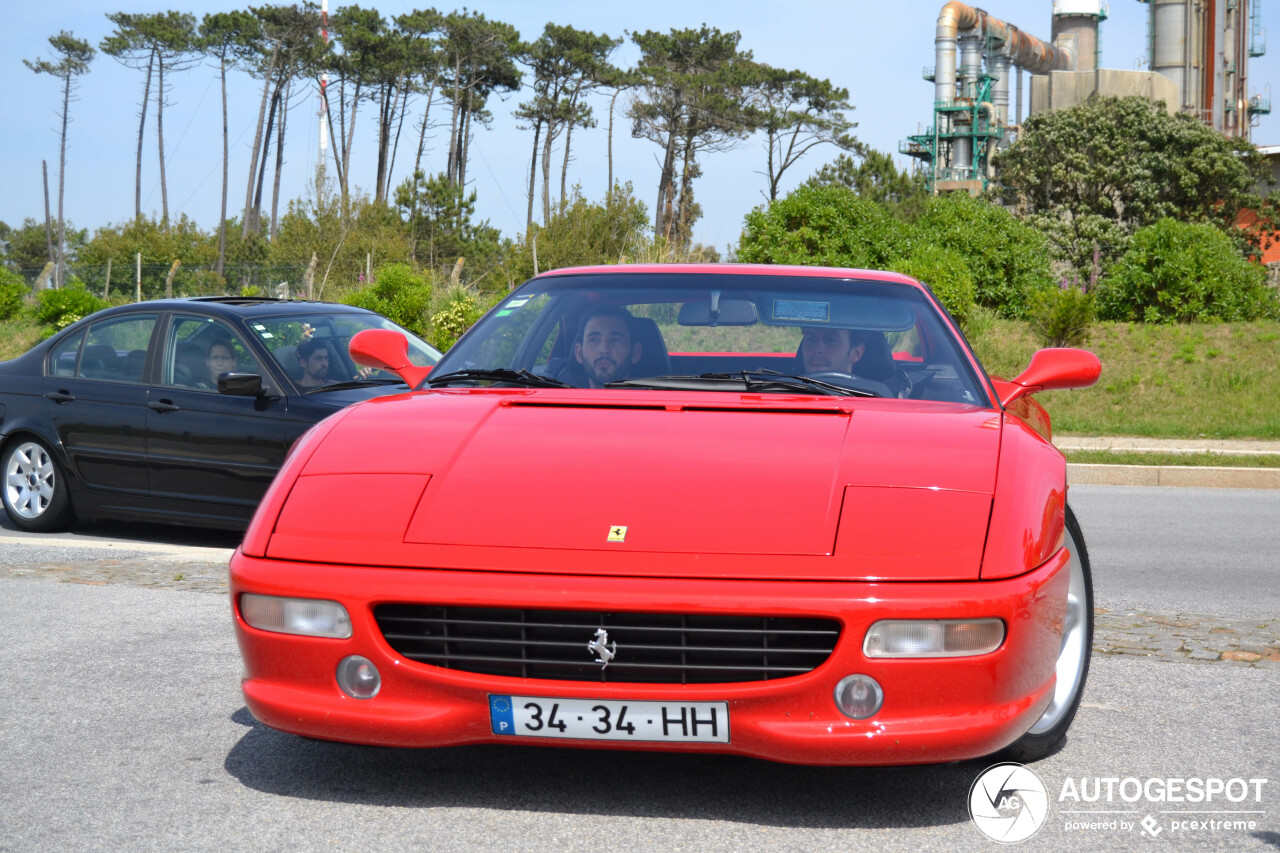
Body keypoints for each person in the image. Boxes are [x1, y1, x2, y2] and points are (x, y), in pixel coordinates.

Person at [573, 306, 643, 388]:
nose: (604, 350)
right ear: (579, 353)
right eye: (594, 340)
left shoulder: (653, 399)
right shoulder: (560, 395)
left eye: (615, 340)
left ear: (635, 353)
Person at [799, 326, 867, 375]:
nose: (817, 349)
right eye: (811, 339)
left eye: (831, 340)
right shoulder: (789, 388)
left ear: (856, 353)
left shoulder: (868, 394)